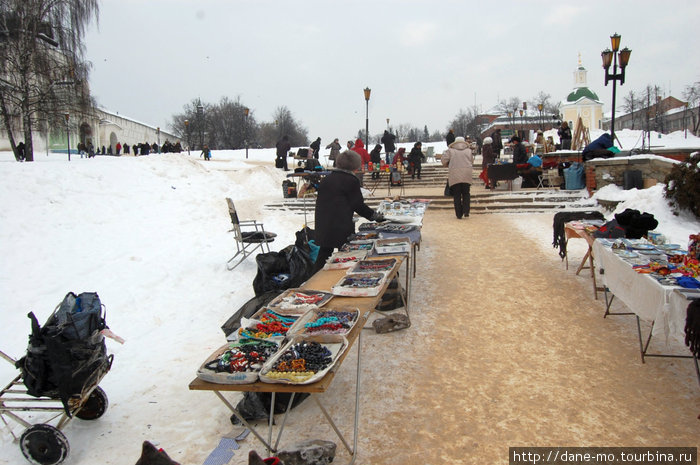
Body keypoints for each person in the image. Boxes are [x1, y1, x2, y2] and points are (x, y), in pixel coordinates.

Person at [312, 150, 384, 274]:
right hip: (340, 225)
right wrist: (374, 216)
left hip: (323, 223)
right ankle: (341, 277)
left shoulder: (327, 179)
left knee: (324, 254)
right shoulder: (351, 180)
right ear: (354, 166)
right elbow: (357, 205)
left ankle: (311, 280)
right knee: (346, 255)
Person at [441, 136, 474, 219]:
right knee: (466, 193)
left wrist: (447, 164)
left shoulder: (450, 150)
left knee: (457, 195)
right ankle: (466, 210)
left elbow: (444, 160)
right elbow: (471, 161)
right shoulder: (468, 151)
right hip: (467, 174)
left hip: (455, 174)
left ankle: (459, 214)